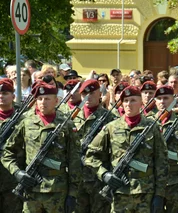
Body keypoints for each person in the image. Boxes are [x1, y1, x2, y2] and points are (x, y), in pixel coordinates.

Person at [84, 86, 168, 212]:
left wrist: (159, 195)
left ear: (141, 102)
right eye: (126, 101)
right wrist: (105, 174)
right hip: (119, 193)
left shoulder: (152, 128)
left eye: (133, 100)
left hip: (145, 193)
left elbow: (162, 161)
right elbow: (90, 156)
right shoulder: (111, 128)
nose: (129, 104)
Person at [1, 82, 80, 213]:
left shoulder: (66, 124)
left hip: (57, 191)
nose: (43, 102)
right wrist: (17, 172)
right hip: (31, 190)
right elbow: (7, 152)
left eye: (47, 99)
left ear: (56, 100)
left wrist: (73, 193)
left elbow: (74, 161)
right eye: (40, 99)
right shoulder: (26, 122)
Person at [73, 79, 116, 213]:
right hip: (77, 178)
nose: (88, 96)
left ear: (99, 94)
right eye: (84, 93)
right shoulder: (72, 118)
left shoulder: (110, 119)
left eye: (91, 93)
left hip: (99, 178)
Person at [153, 85, 178, 213]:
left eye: (166, 98)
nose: (162, 101)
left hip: (176, 181)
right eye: (159, 98)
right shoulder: (148, 123)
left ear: (173, 100)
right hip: (151, 180)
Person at [0, 79, 23, 213]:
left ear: (13, 96)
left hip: (13, 178)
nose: (1, 96)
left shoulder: (24, 119)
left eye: (5, 93)